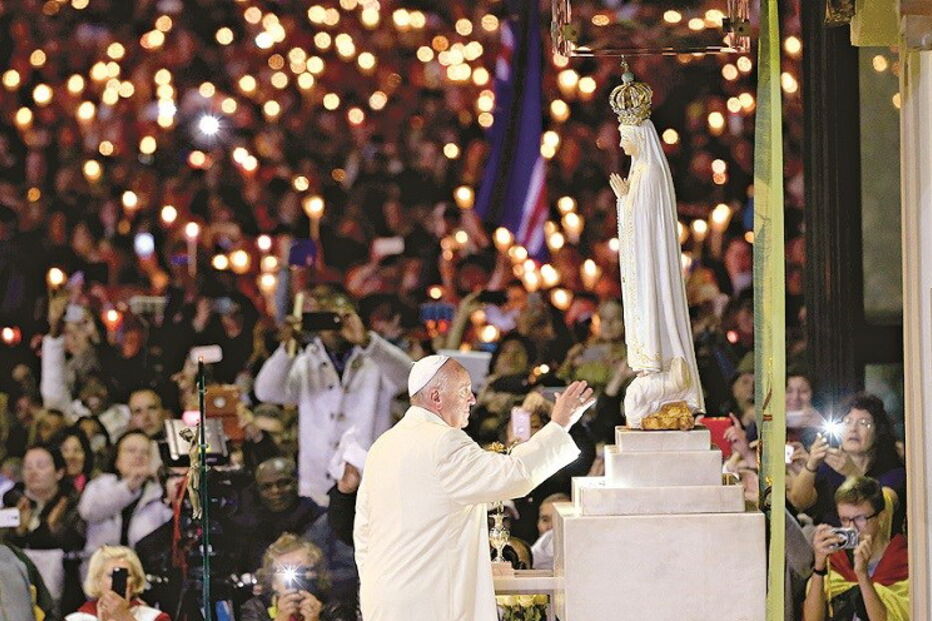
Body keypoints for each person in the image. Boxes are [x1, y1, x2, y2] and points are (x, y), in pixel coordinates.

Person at [354, 355, 593, 620]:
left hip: (384, 599)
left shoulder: (383, 445)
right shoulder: (443, 442)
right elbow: (514, 474)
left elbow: (363, 532)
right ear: (436, 397)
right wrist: (560, 425)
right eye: (464, 391)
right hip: (430, 601)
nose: (473, 399)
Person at [608, 68, 704, 424]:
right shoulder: (640, 171)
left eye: (623, 136)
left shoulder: (647, 172)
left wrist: (625, 201)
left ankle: (661, 369)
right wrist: (625, 199)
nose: (620, 143)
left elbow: (645, 224)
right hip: (641, 261)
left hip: (649, 264)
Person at [254, 289, 412, 505]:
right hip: (318, 487)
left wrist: (366, 342)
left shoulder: (376, 359)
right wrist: (287, 348)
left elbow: (409, 379)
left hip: (368, 486)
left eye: (338, 317)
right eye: (323, 318)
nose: (333, 326)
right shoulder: (306, 361)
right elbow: (266, 391)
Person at [788, 393, 905, 530]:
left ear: (878, 431)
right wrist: (811, 465)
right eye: (847, 421)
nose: (853, 429)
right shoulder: (829, 468)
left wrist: (852, 473)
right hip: (831, 545)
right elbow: (799, 502)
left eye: (863, 423)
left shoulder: (894, 473)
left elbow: (883, 508)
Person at [802, 477, 908, 620]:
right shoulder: (836, 561)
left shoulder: (904, 561)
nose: (851, 528)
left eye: (860, 518)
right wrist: (819, 567)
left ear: (881, 517)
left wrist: (863, 575)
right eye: (845, 520)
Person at [78, 431, 172, 578]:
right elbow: (89, 511)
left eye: (145, 452)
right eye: (131, 451)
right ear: (117, 459)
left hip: (146, 574)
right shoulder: (100, 485)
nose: (138, 456)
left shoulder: (160, 491)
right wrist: (129, 486)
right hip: (100, 574)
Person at [2, 444, 85, 609]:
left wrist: (52, 528)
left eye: (41, 466)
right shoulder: (11, 503)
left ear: (59, 472)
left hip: (65, 595)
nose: (33, 472)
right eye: (27, 467)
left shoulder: (74, 504)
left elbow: (77, 544)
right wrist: (19, 531)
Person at [240, 533, 356, 621]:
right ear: (273, 581)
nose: (294, 577)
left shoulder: (334, 608)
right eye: (285, 570)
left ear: (316, 574)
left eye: (301, 570)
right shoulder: (257, 609)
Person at [67, 545, 171, 620]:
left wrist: (125, 617)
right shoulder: (77, 619)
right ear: (98, 580)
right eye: (111, 576)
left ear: (135, 581)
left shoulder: (155, 618)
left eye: (127, 575)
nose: (121, 581)